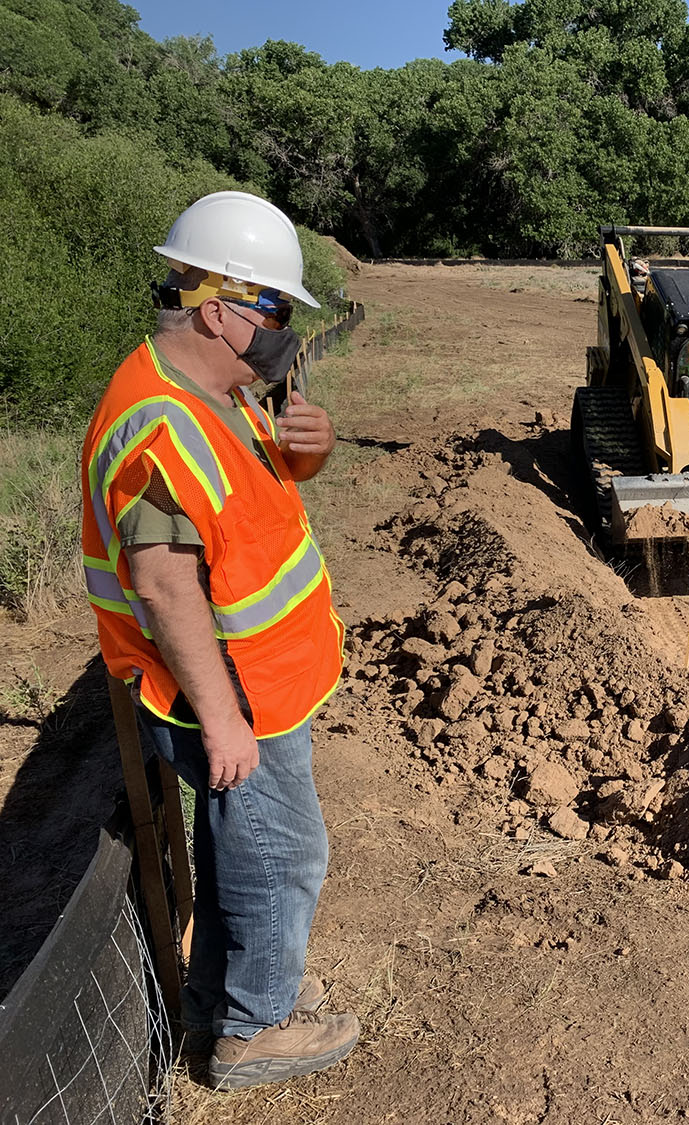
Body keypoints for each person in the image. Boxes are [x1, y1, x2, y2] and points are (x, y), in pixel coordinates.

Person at [79, 191, 358, 1089]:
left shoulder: (214, 389)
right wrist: (225, 719)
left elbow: (242, 513)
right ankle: (253, 1030)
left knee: (243, 845)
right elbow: (165, 584)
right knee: (282, 852)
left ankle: (215, 1004)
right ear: (217, 309)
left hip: (261, 680)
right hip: (232, 695)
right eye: (274, 310)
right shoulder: (160, 423)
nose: (283, 332)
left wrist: (301, 451)